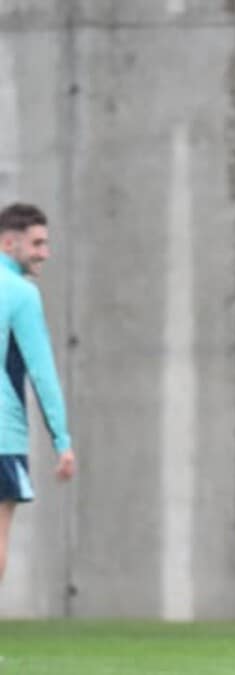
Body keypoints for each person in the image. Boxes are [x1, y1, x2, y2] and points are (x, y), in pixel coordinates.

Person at [0, 202, 77, 585]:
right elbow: (41, 372)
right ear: (10, 243)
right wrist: (62, 442)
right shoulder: (21, 294)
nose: (45, 253)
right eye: (37, 244)